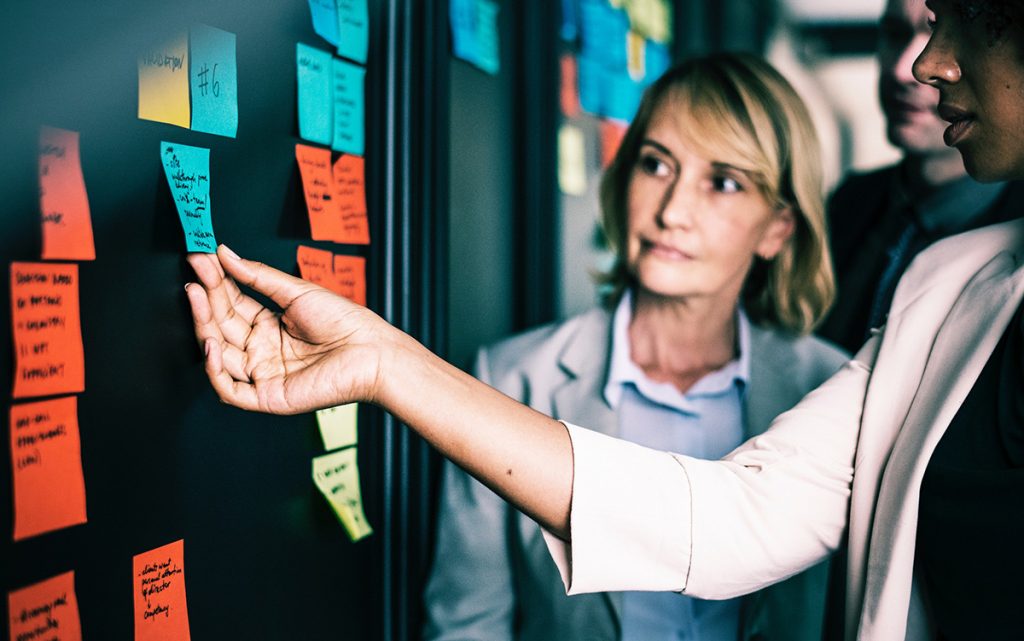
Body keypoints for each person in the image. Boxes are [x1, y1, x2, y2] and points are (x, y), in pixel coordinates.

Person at [183, 2, 1024, 637]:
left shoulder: (814, 367)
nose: (927, 62)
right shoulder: (949, 288)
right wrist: (381, 360)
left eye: (965, 17)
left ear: (780, 224)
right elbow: (726, 520)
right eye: (655, 164)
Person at [422, 54, 848, 641]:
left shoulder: (830, 392)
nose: (672, 212)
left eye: (722, 183)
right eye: (656, 165)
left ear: (778, 227)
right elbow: (468, 625)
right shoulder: (514, 379)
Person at [818, 0, 1024, 353]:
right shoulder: (846, 204)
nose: (906, 69)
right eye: (894, 34)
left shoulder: (1015, 241)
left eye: (944, 33)